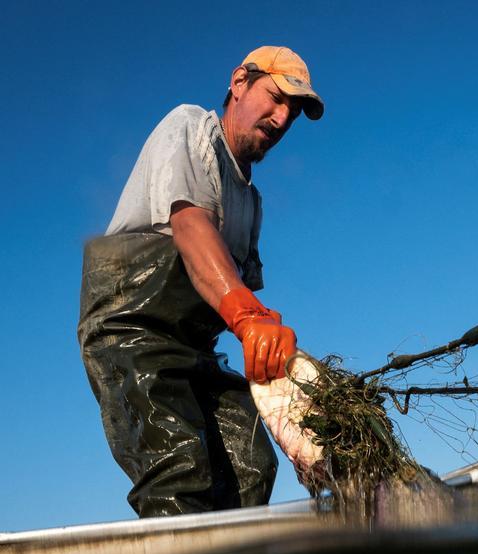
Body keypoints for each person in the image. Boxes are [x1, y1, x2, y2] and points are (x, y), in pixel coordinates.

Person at [77, 46, 324, 517]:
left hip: (197, 348)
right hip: (132, 329)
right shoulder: (191, 128)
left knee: (252, 466)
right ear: (239, 83)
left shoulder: (251, 202)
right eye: (275, 98)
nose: (280, 118)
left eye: (292, 111)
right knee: (180, 473)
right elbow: (191, 228)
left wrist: (279, 373)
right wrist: (251, 317)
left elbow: (229, 293)